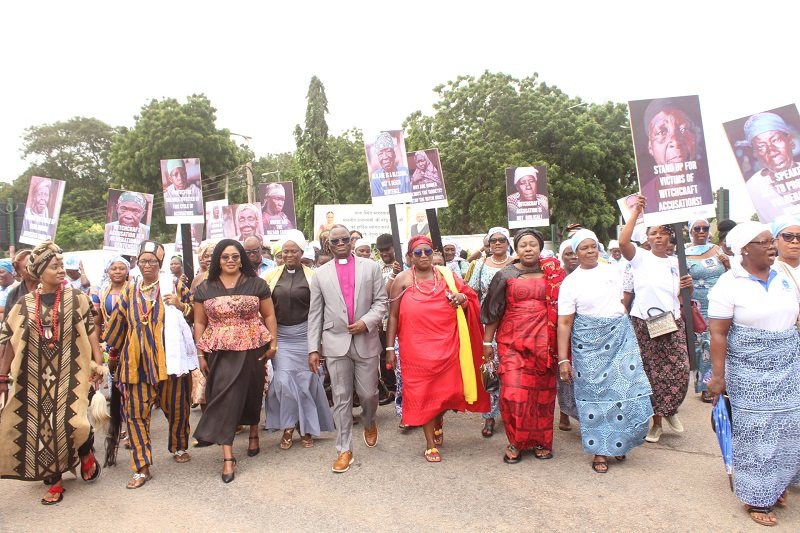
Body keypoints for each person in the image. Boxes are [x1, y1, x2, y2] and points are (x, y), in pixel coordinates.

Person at [707, 222, 800, 527]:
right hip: (749, 371)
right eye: (763, 242)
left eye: (771, 240)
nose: (772, 246)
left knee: (788, 428)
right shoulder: (729, 283)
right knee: (756, 433)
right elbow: (718, 334)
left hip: (788, 364)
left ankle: (777, 483)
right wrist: (718, 378)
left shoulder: (784, 276)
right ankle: (757, 496)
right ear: (744, 249)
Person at [0, 241, 105, 504]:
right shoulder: (23, 304)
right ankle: (55, 479)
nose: (61, 271)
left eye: (61, 265)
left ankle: (85, 450)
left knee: (74, 422)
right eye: (54, 266)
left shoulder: (76, 298)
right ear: (39, 272)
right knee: (43, 430)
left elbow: (90, 330)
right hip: (34, 376)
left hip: (72, 372)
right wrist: (2, 377)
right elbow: (10, 341)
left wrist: (98, 362)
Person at [384, 235, 489, 462]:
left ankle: (438, 419)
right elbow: (392, 316)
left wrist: (461, 298)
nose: (423, 256)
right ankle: (430, 443)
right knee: (422, 392)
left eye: (427, 252)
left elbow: (469, 297)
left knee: (448, 391)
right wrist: (389, 347)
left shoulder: (447, 275)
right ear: (410, 256)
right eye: (418, 253)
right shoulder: (401, 280)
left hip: (448, 344)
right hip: (415, 348)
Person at [557, 230, 653, 473]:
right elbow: (565, 322)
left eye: (593, 246)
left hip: (619, 336)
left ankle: (619, 442)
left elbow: (622, 300)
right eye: (583, 248)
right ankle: (600, 450)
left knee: (626, 389)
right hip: (588, 345)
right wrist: (563, 359)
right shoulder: (570, 282)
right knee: (596, 397)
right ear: (575, 253)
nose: (589, 251)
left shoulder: (613, 270)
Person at [104, 240, 196, 489]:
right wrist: (111, 355)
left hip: (171, 362)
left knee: (178, 409)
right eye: (143, 261)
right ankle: (141, 467)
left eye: (152, 262)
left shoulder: (175, 284)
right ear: (137, 263)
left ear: (160, 264)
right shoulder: (129, 291)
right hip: (136, 364)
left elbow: (196, 312)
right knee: (135, 416)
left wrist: (180, 305)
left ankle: (178, 446)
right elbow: (117, 327)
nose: (147, 266)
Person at [193, 239, 277, 483]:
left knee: (251, 392)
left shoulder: (257, 284)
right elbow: (200, 322)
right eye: (225, 257)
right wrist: (200, 353)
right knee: (223, 397)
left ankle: (253, 433)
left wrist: (273, 344)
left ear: (242, 259)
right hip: (219, 351)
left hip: (253, 346)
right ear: (217, 260)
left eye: (235, 256)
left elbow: (270, 314)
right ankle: (228, 456)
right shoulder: (205, 288)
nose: (230, 260)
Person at [307, 225, 388, 473]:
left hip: (366, 340)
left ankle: (369, 419)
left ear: (351, 242)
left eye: (345, 239)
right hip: (334, 343)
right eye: (335, 240)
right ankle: (344, 449)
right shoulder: (320, 274)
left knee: (368, 395)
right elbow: (315, 313)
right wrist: (313, 348)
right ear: (328, 244)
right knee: (341, 398)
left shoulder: (371, 267)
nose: (341, 243)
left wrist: (366, 322)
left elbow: (381, 302)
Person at [480, 229, 565, 462]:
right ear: (515, 250)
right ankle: (516, 442)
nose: (528, 249)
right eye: (523, 245)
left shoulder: (554, 274)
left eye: (533, 245)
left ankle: (541, 442)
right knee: (513, 394)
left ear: (540, 248)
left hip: (545, 345)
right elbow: (494, 311)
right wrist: (487, 342)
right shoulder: (505, 274)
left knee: (542, 397)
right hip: (512, 344)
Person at [619, 196, 693, 443]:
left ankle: (670, 409)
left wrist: (687, 286)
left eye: (663, 233)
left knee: (680, 370)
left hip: (671, 323)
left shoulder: (677, 263)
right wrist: (636, 212)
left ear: (670, 238)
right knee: (651, 373)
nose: (658, 237)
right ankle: (657, 423)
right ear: (647, 238)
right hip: (644, 323)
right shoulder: (640, 257)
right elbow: (623, 241)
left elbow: (683, 296)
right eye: (653, 233)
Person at [264, 230, 334, 450]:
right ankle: (287, 426)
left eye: (293, 251)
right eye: (285, 251)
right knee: (284, 383)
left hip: (307, 335)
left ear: (302, 252)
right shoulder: (270, 277)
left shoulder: (315, 276)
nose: (289, 255)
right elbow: (264, 309)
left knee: (305, 384)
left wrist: (320, 342)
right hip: (282, 337)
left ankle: (306, 430)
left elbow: (323, 309)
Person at [467, 227, 515, 438]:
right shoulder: (480, 265)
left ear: (508, 242)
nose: (497, 243)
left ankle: (511, 413)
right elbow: (470, 291)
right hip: (489, 325)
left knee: (512, 368)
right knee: (490, 368)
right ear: (488, 243)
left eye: (501, 240)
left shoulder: (516, 263)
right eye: (493, 240)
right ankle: (489, 417)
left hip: (515, 323)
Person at [92, 256, 131, 465]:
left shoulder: (134, 289)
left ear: (127, 271)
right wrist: (98, 344)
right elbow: (97, 321)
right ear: (108, 271)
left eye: (121, 268)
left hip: (131, 343)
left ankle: (129, 427)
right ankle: (122, 422)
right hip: (112, 345)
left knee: (128, 385)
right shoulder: (100, 293)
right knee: (116, 385)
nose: (117, 271)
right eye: (114, 268)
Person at [685, 218, 729, 403]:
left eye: (705, 228)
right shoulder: (684, 254)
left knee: (720, 343)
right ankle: (705, 386)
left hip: (721, 302)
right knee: (703, 345)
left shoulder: (718, 250)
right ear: (691, 231)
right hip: (698, 305)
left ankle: (723, 382)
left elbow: (730, 275)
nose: (701, 231)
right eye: (697, 228)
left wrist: (727, 263)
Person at [639, 98, 712, 208]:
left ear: (695, 138)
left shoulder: (707, 194)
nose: (676, 141)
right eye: (662, 131)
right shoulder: (644, 201)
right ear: (650, 147)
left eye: (683, 129)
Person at [742, 112, 800, 222]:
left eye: (776, 140)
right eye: (761, 147)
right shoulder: (753, 188)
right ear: (755, 153)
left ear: (790, 141)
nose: (772, 152)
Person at [555, 240, 579, 432]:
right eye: (568, 254)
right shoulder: (556, 277)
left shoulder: (590, 274)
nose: (573, 257)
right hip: (562, 328)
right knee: (563, 371)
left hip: (584, 330)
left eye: (575, 252)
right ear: (562, 257)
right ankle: (564, 414)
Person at [369, 131, 411, 198]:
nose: (385, 157)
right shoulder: (375, 178)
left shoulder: (405, 172)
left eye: (388, 151)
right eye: (380, 153)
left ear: (394, 154)